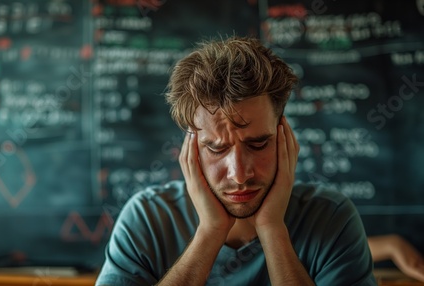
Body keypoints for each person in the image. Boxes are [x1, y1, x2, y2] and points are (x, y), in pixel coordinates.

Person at [96, 36, 377, 285]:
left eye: (258, 143)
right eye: (216, 149)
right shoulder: (147, 219)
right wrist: (210, 232)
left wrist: (272, 229)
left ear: (285, 137)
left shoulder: (331, 217)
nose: (239, 174)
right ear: (190, 150)